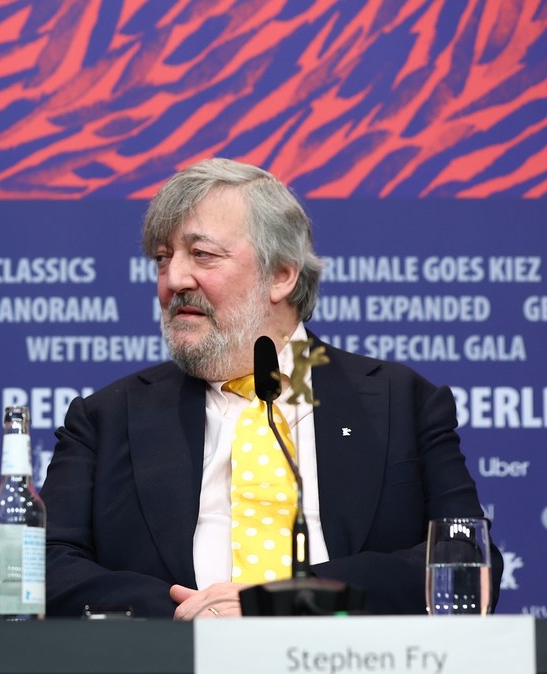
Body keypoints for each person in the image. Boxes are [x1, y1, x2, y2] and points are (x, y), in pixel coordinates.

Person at [41, 158, 501, 619]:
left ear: (282, 274)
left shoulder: (403, 402)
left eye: (202, 255)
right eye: (163, 259)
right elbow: (46, 565)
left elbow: (467, 558)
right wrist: (186, 616)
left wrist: (291, 601)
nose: (174, 280)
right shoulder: (105, 417)